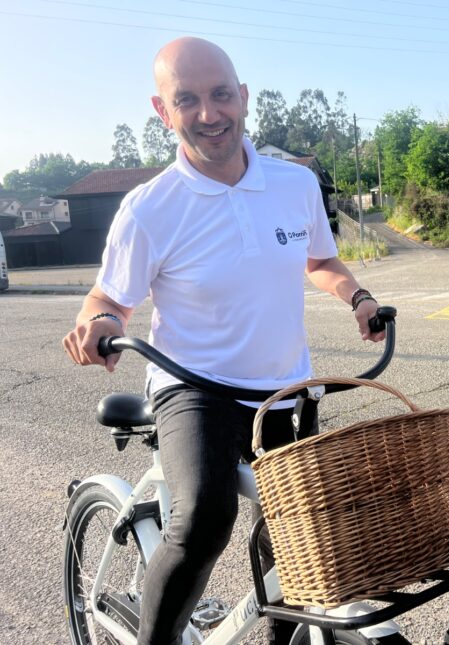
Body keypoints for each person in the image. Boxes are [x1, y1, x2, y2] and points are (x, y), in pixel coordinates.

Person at [62, 37, 383, 645]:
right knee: (205, 520)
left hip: (284, 391)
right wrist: (100, 325)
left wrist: (359, 298)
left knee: (297, 537)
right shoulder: (149, 207)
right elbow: (107, 299)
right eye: (187, 100)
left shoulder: (295, 184)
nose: (208, 114)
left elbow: (320, 260)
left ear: (243, 98)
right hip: (195, 389)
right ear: (163, 111)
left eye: (218, 95)